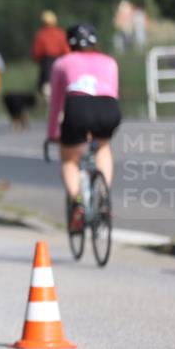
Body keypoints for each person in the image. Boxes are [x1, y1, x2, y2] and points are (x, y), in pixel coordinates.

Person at [47, 23, 121, 232]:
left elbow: (56, 103)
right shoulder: (109, 62)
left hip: (78, 106)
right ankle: (103, 198)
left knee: (69, 160)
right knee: (103, 147)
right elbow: (114, 92)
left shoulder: (62, 63)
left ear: (69, 44)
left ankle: (77, 202)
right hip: (108, 107)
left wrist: (53, 133)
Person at [31, 10, 69, 101]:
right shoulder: (60, 33)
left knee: (46, 86)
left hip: (46, 63)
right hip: (60, 61)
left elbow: (36, 53)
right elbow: (66, 51)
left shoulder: (40, 34)